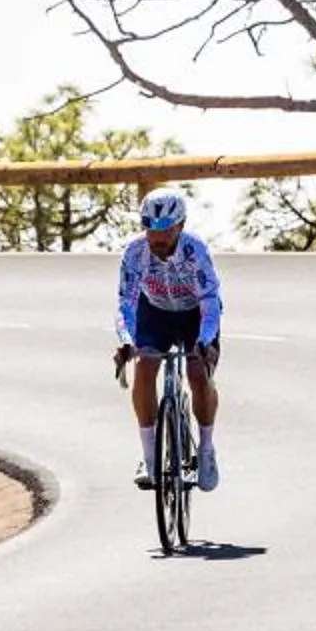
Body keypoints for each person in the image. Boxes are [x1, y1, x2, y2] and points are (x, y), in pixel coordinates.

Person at [113, 190, 223, 491]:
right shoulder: (135, 252)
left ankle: (206, 449)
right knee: (145, 369)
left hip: (194, 315)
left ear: (181, 226)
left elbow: (210, 301)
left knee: (198, 374)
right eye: (151, 230)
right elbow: (126, 301)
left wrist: (205, 340)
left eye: (164, 232)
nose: (157, 239)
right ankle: (149, 458)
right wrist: (126, 340)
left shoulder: (195, 251)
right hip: (155, 311)